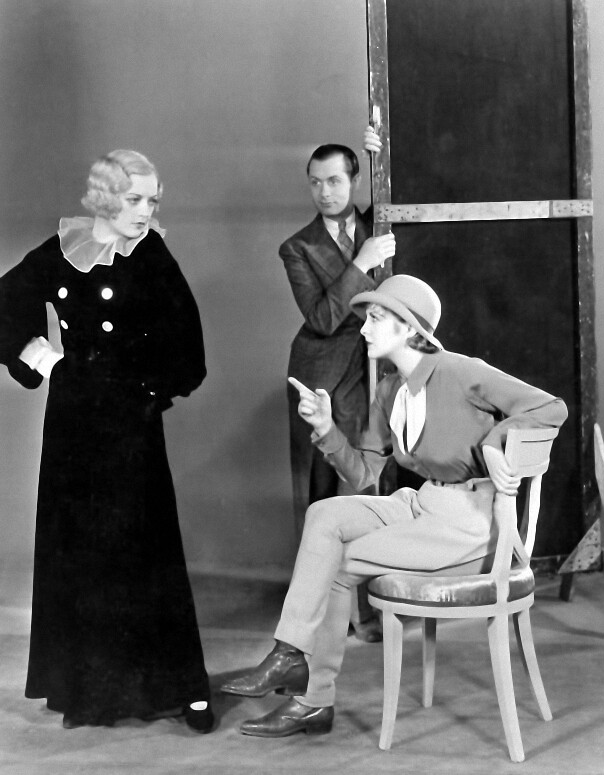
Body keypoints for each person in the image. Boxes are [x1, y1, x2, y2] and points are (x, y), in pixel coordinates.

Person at [221, 274, 567, 738]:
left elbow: (550, 407)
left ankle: (313, 699)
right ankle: (288, 654)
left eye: (376, 318)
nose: (364, 329)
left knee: (340, 563)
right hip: (422, 504)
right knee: (324, 514)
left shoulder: (461, 372)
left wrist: (496, 441)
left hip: (470, 523)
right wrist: (326, 428)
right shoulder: (389, 390)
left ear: (409, 327)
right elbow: (363, 474)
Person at [0, 150, 213, 732]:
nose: (145, 211)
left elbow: (188, 349)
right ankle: (90, 691)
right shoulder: (61, 250)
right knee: (79, 550)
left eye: (153, 200)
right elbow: (4, 305)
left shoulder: (152, 255)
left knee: (144, 550)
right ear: (103, 197)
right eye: (133, 199)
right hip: (72, 425)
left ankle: (180, 687)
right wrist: (41, 358)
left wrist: (145, 393)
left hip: (129, 425)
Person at [281, 136, 394, 640]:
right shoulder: (297, 247)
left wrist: (379, 146)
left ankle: (377, 601)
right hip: (325, 374)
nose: (324, 192)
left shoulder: (378, 221)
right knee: (328, 489)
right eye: (315, 183)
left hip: (379, 366)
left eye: (334, 181)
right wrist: (361, 264)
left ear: (355, 180)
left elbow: (398, 184)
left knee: (381, 479)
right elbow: (324, 318)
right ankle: (335, 611)